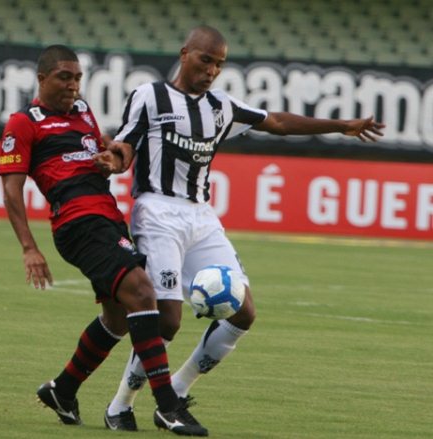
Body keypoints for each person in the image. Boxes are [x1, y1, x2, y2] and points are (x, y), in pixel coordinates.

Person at [95, 25, 385, 431]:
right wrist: (115, 160)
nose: (212, 70)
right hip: (158, 212)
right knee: (167, 321)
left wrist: (340, 126)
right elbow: (125, 144)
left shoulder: (221, 106)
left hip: (201, 216)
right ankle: (120, 406)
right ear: (184, 54)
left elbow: (277, 122)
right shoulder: (150, 96)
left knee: (243, 312)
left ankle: (176, 391)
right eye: (205, 59)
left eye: (219, 64)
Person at [0, 44, 208, 436]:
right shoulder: (24, 123)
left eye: (77, 77)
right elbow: (11, 191)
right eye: (64, 77)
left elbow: (99, 153)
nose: (73, 85)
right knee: (144, 295)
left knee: (118, 316)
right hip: (78, 224)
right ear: (41, 79)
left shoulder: (82, 112)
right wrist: (29, 248)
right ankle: (168, 406)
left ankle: (63, 389)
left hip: (108, 218)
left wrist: (108, 155)